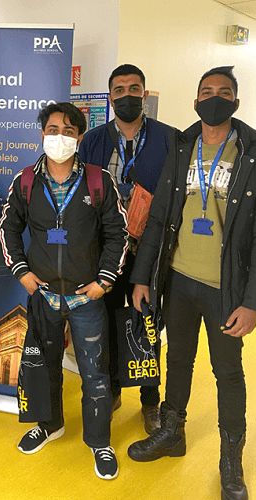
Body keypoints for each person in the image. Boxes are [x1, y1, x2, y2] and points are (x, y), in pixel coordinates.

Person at [127, 66, 256, 500]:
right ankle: (171, 432)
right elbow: (159, 216)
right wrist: (142, 277)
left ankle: (231, 461)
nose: (215, 98)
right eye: (207, 91)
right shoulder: (183, 147)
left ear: (236, 101)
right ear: (195, 101)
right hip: (179, 280)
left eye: (224, 92)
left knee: (227, 372)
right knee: (177, 359)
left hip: (225, 289)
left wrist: (254, 302)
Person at [0, 102, 128, 480]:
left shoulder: (98, 181)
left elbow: (117, 234)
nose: (60, 137)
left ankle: (99, 441)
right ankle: (49, 424)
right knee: (43, 368)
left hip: (86, 298)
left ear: (79, 137)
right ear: (42, 134)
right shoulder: (26, 180)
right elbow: (7, 227)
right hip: (44, 296)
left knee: (95, 374)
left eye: (68, 131)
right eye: (53, 130)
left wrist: (104, 281)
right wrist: (22, 272)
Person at [79, 64, 174, 434]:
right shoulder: (93, 141)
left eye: (134, 88)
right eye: (119, 90)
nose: (127, 95)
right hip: (106, 250)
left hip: (148, 249)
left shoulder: (168, 139)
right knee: (106, 321)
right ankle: (114, 389)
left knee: (147, 322)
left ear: (144, 94)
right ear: (110, 97)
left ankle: (150, 400)